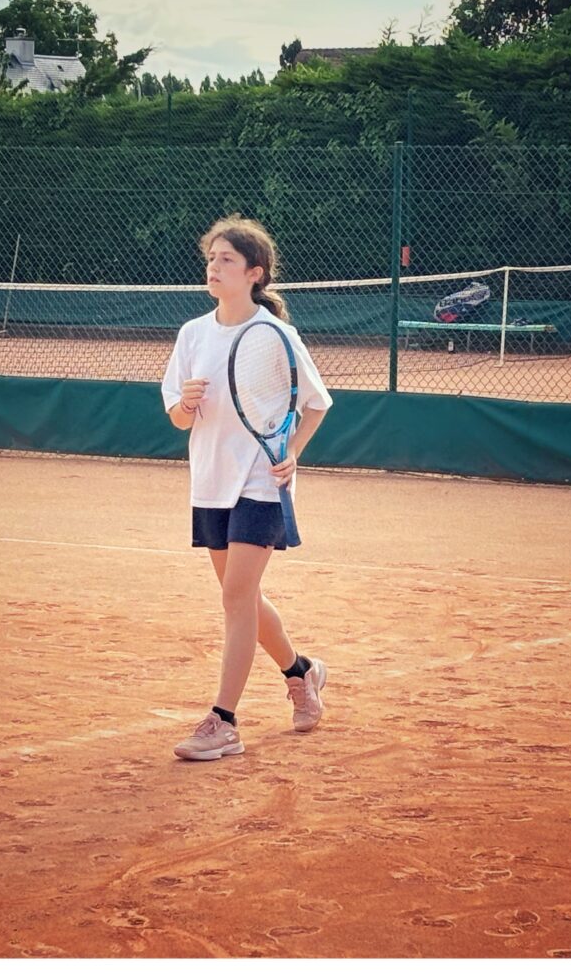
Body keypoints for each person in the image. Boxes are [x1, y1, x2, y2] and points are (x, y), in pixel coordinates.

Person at [161, 215, 333, 761]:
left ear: (254, 273)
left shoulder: (276, 334)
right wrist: (186, 404)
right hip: (210, 481)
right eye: (211, 258)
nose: (214, 267)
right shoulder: (192, 334)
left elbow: (317, 404)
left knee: (235, 597)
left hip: (261, 480)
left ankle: (224, 722)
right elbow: (177, 419)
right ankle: (301, 672)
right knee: (245, 599)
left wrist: (292, 454)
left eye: (226, 260)